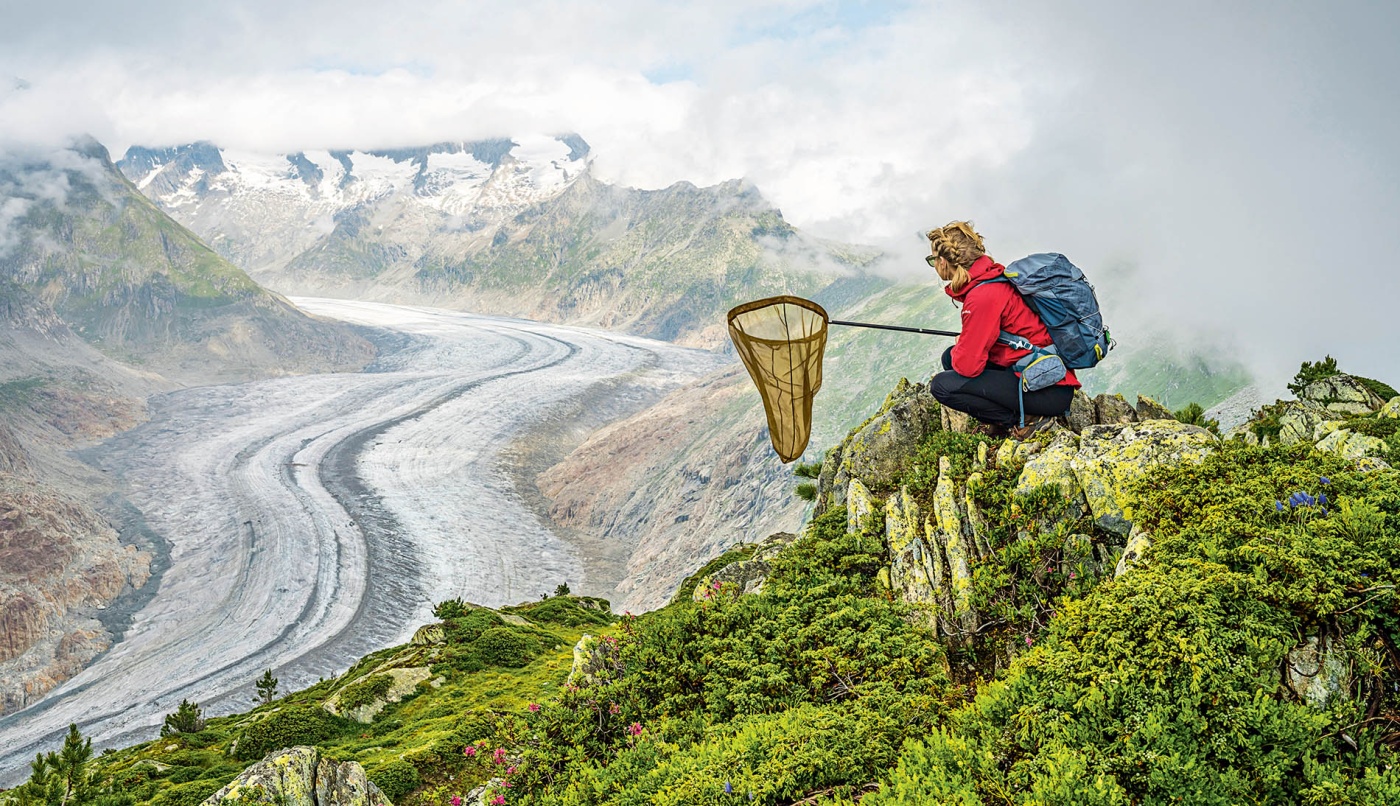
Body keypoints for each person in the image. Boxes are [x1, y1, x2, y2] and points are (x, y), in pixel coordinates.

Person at [925, 220, 1078, 439]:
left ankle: (1020, 421)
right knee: (949, 357)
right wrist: (964, 346)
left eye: (932, 260)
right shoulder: (992, 278)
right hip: (1040, 373)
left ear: (943, 261)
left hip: (1046, 388)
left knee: (941, 386)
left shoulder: (982, 296)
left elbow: (969, 366)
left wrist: (964, 346)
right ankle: (1006, 416)